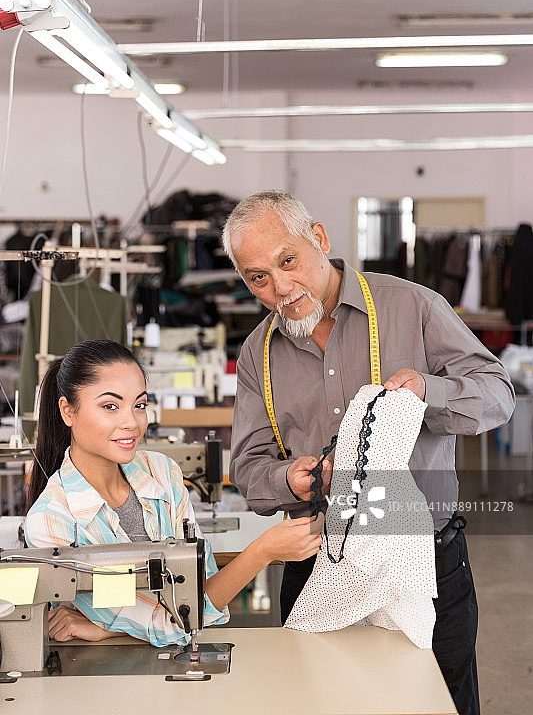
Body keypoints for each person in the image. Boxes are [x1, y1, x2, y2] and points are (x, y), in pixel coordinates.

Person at [223, 190, 515, 715]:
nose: (279, 288)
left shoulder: (414, 306)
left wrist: (430, 392)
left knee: (441, 703)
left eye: (287, 261)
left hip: (425, 563)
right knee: (320, 703)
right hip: (317, 565)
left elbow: (497, 395)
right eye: (256, 277)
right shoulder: (256, 353)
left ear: (319, 238)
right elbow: (247, 466)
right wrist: (294, 480)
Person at [25, 339, 322, 647]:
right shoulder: (52, 523)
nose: (132, 423)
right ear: (67, 411)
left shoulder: (162, 473)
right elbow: (180, 620)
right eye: (110, 406)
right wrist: (262, 552)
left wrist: (107, 628)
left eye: (139, 405)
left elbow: (201, 592)